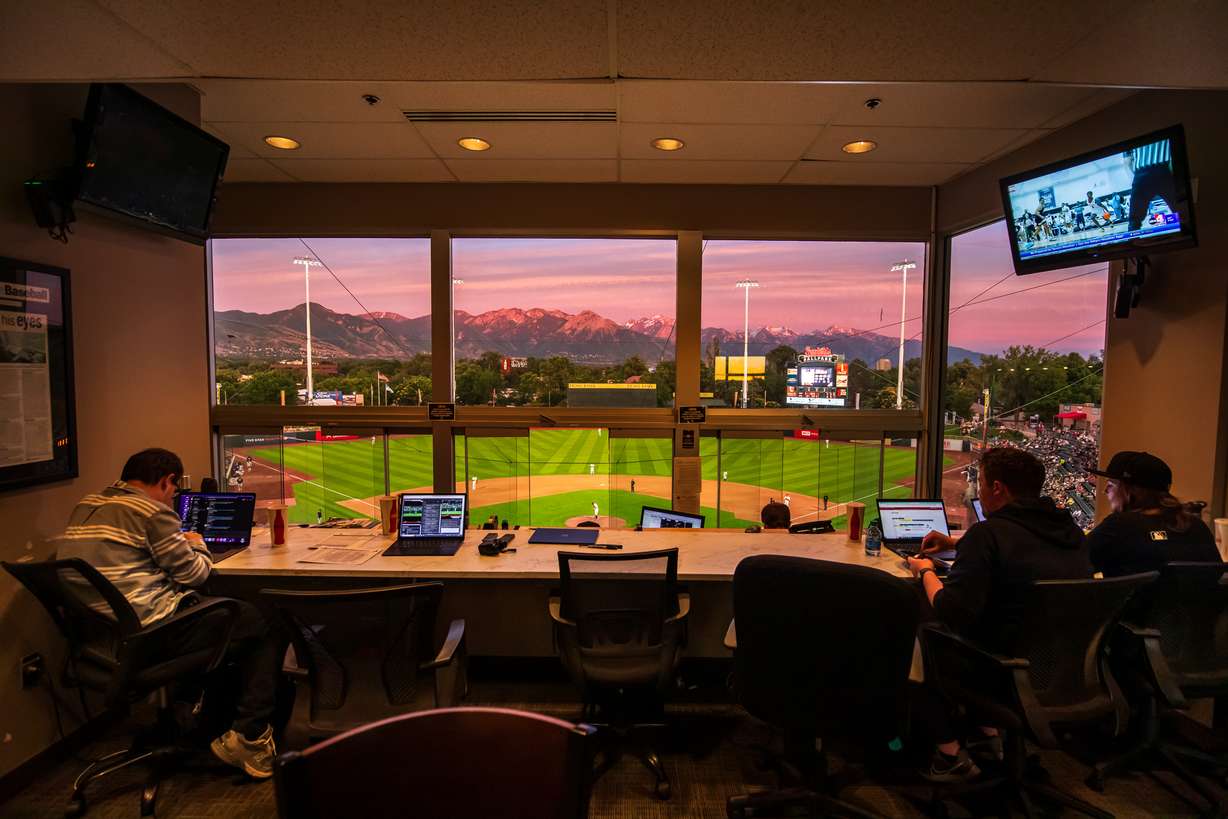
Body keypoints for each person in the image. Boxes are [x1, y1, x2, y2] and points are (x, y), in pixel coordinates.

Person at [57, 449, 280, 778]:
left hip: (104, 640)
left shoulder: (87, 504)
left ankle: (194, 717)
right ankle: (248, 734)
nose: (172, 497)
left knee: (232, 624)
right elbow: (196, 575)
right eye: (173, 490)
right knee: (263, 620)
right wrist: (197, 541)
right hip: (152, 635)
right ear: (166, 481)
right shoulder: (149, 511)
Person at [906, 447, 1092, 782]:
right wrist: (956, 542)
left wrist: (924, 571)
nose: (978, 489)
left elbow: (952, 611)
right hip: (1060, 670)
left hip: (1002, 671)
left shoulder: (989, 534)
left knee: (921, 636)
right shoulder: (1070, 532)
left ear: (998, 489)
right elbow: (1025, 551)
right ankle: (989, 737)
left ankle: (949, 755)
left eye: (982, 483)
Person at [1086, 451, 1219, 576]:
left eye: (1111, 484)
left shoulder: (1118, 527)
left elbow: (1073, 565)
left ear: (1131, 490)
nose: (1105, 490)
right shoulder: (1197, 525)